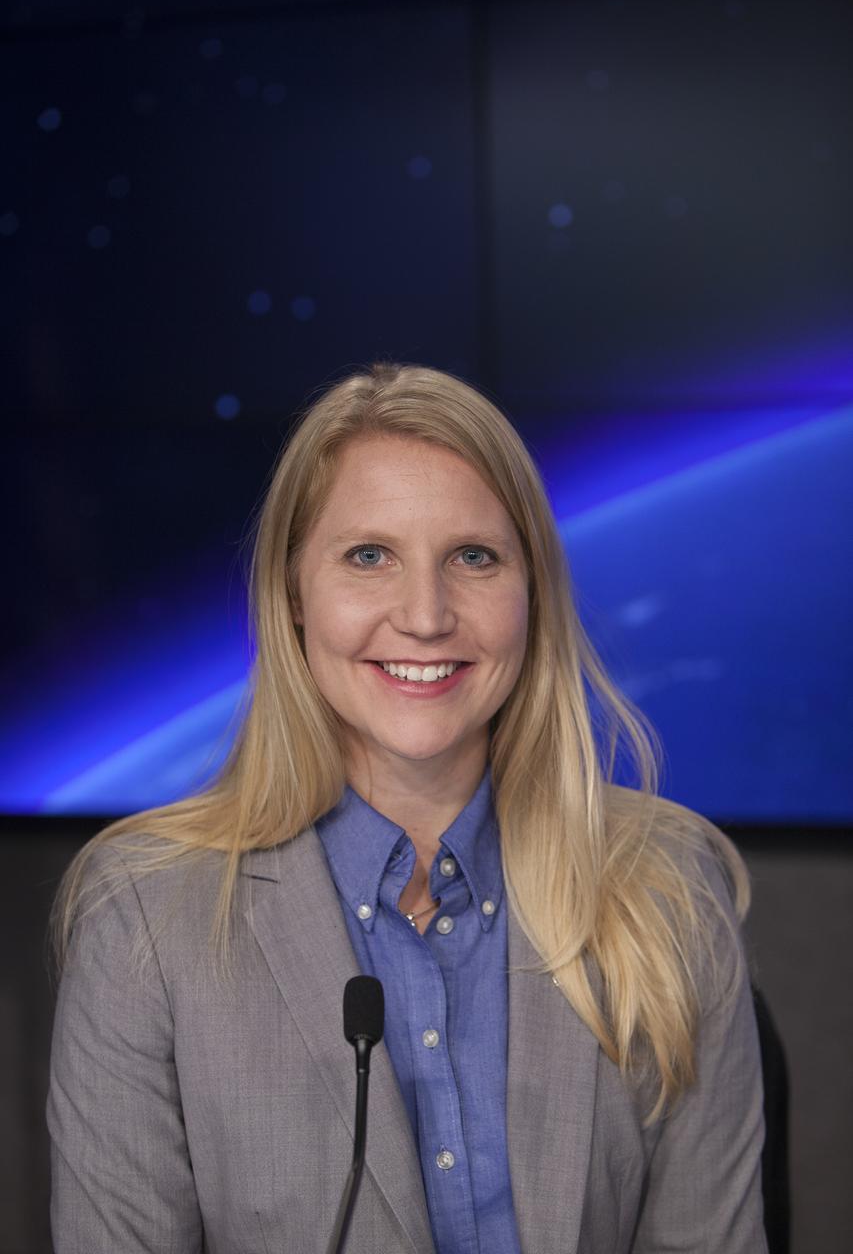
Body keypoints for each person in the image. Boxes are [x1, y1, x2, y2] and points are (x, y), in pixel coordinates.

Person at [48, 362, 768, 1253]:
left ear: (530, 594)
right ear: (293, 595)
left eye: (474, 557)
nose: (425, 616)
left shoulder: (662, 885)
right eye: (368, 556)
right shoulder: (146, 912)